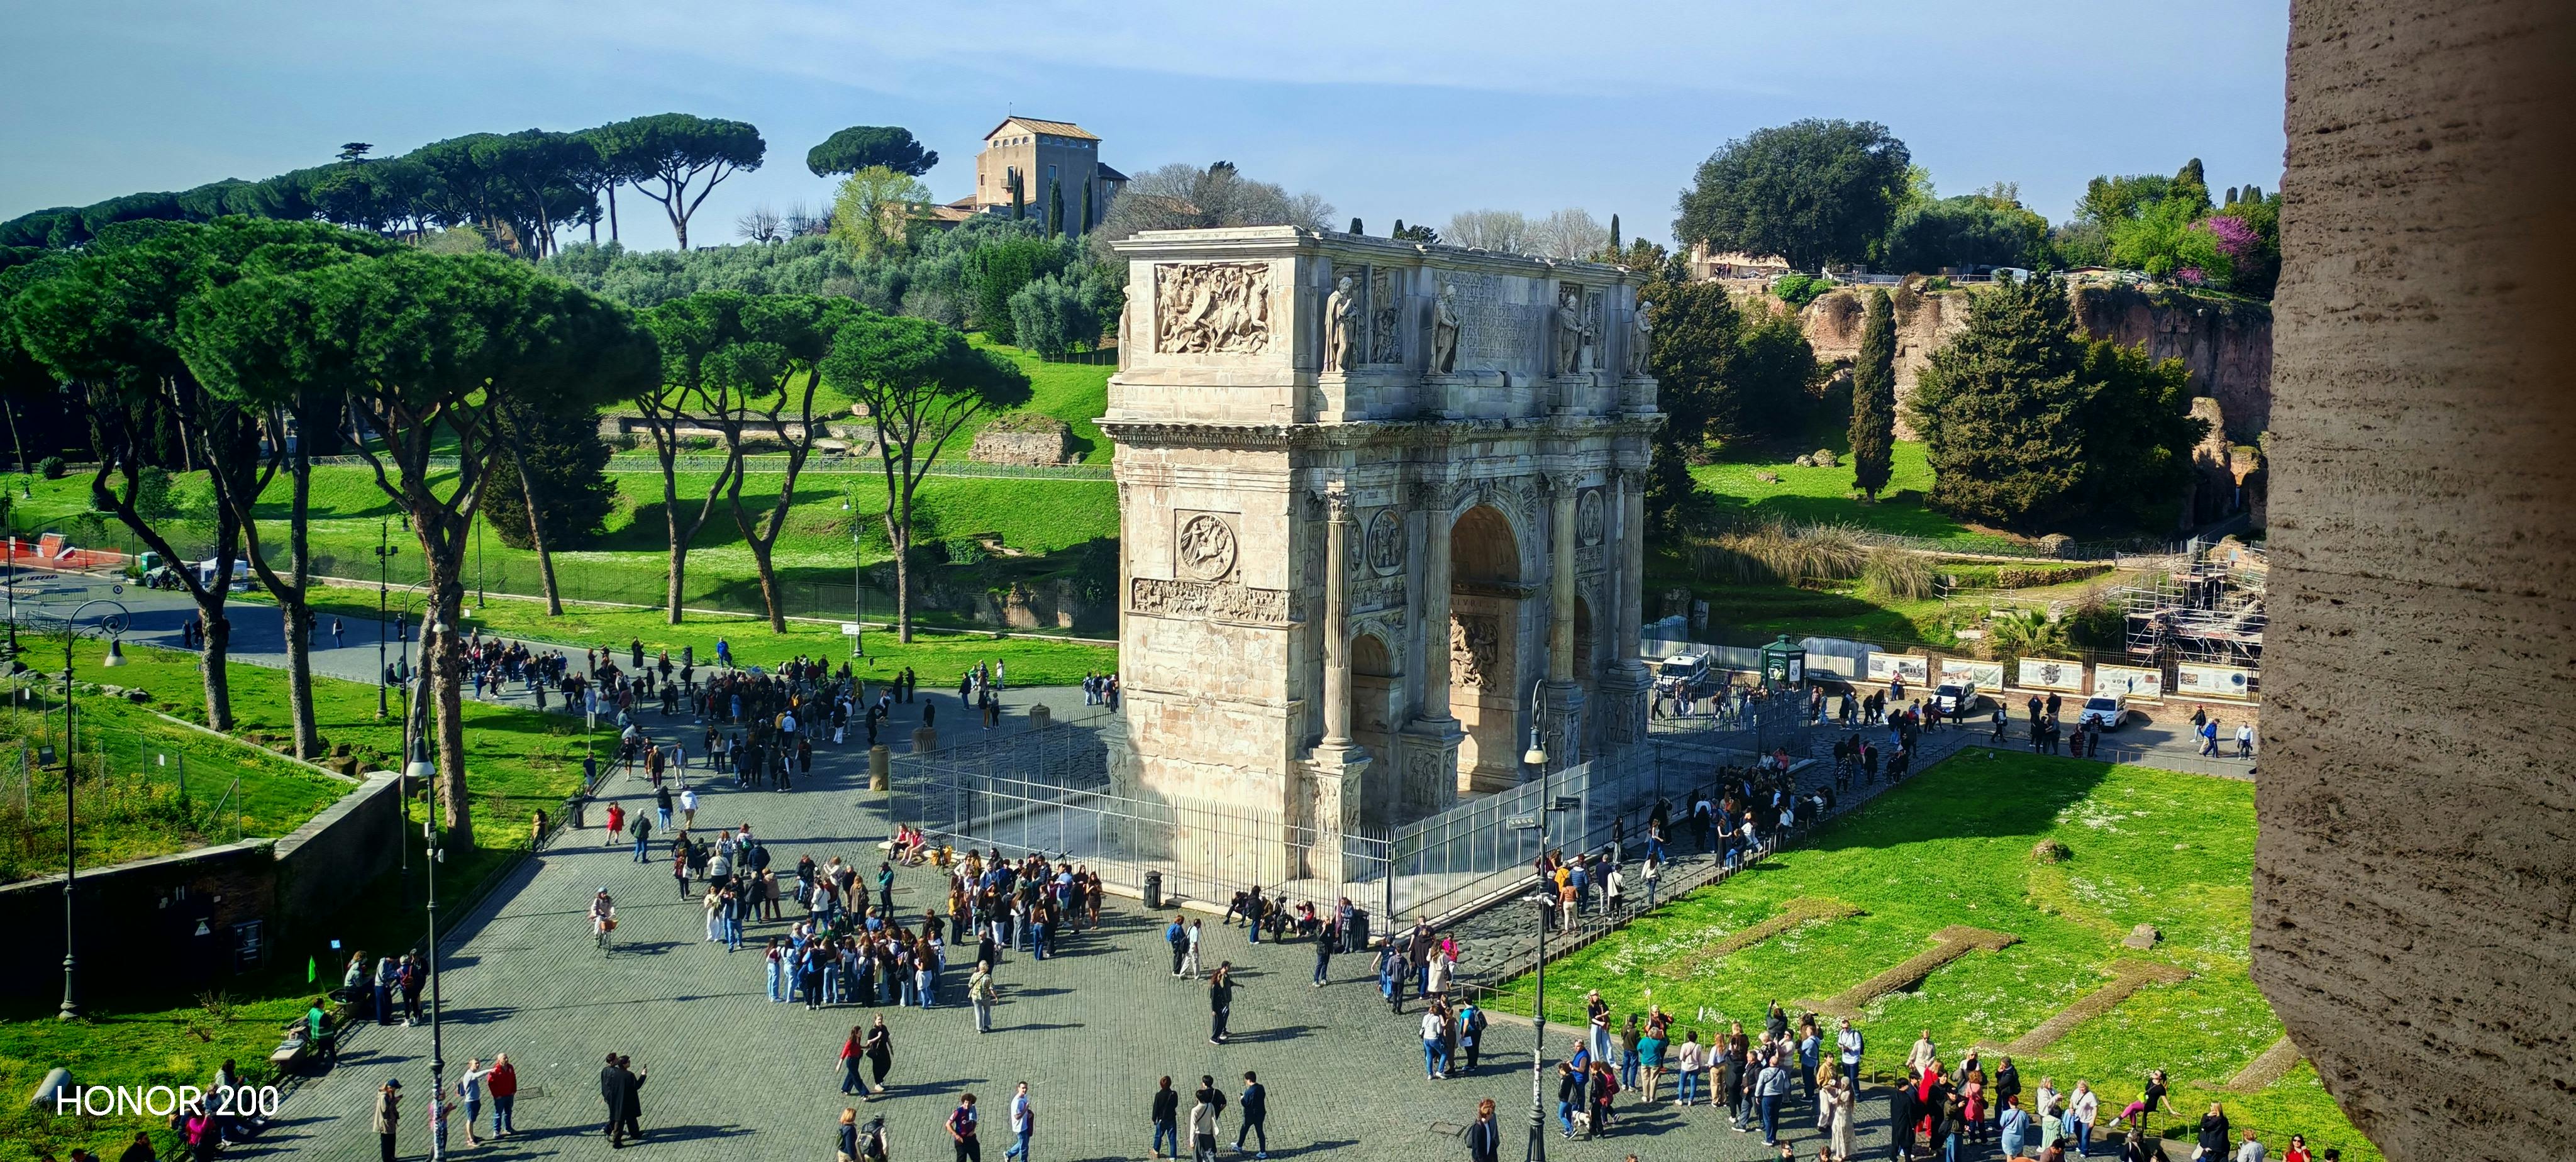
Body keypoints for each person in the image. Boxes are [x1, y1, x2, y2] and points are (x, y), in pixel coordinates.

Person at [1235, 1070, 1268, 1158]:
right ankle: (1263, 1151)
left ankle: (1239, 1146)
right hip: (1260, 1114)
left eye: (1246, 1080)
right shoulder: (1261, 1087)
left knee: (1244, 1129)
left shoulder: (1249, 1092)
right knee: (1260, 1132)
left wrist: (1242, 1099)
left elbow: (1246, 1104)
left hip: (1250, 1115)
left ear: (1249, 1080)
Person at [1151, 1076, 1182, 1159]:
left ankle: (1156, 1151)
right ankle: (1173, 1157)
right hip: (1171, 1119)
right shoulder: (1174, 1094)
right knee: (1172, 1138)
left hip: (1162, 1119)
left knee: (1158, 1136)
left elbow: (1156, 1108)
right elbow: (1176, 1105)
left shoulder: (1158, 1095)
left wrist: (1154, 1118)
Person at [488, 1053, 518, 1138]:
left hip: (509, 1094)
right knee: (498, 1114)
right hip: (500, 1097)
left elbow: (514, 1079)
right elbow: (491, 1084)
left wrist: (514, 1090)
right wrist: (496, 1095)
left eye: (507, 1058)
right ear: (499, 1060)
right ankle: (496, 1131)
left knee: (508, 1112)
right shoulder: (495, 1070)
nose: (507, 1060)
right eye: (504, 1058)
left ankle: (508, 1128)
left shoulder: (510, 1067)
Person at [1208, 962, 1238, 1044]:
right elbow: (1213, 999)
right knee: (1219, 1022)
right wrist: (1214, 1010)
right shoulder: (1215, 986)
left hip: (1220, 1004)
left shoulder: (1223, 978)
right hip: (1217, 1006)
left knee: (1220, 1021)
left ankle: (1217, 1035)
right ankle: (1215, 1037)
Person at [1002, 1082, 1034, 1161]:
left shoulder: (1024, 1096)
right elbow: (1017, 1117)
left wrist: (1028, 1113)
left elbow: (1024, 1110)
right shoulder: (1016, 1102)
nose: (1025, 1090)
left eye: (1026, 1088)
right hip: (1020, 1128)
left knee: (1022, 1143)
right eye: (1023, 1088)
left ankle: (1008, 1154)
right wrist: (1026, 1109)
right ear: (1018, 1088)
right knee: (1024, 1148)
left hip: (1025, 1125)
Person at [1189, 1089, 1222, 1162]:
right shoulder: (1210, 1106)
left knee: (1197, 1155)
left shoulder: (1195, 1110)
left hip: (1199, 1135)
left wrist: (1191, 1141)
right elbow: (1213, 1118)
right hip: (1208, 1133)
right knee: (1210, 1153)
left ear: (1197, 1098)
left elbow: (1193, 1127)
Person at [372, 1079, 401, 1162]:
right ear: (391, 1088)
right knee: (386, 1142)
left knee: (392, 1140)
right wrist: (395, 1101)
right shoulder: (384, 1097)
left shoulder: (389, 1094)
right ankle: (387, 1159)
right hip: (385, 1123)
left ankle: (392, 1156)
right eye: (395, 1088)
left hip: (390, 1121)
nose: (396, 1090)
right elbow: (385, 1110)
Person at [1465, 1097, 1502, 1162]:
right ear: (1487, 1114)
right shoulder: (1478, 1129)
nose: (1493, 1115)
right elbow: (1478, 1150)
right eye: (1491, 1113)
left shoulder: (1488, 1123)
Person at [950, 1093, 983, 1162]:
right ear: (963, 1102)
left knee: (977, 1158)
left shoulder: (972, 1110)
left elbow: (974, 1121)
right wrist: (956, 1136)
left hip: (971, 1138)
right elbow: (948, 1125)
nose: (967, 1105)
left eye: (969, 1103)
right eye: (966, 1103)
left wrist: (973, 1130)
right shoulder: (958, 1112)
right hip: (961, 1140)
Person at [969, 960, 998, 1033]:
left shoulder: (975, 975)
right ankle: (987, 1025)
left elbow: (970, 985)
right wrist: (996, 997)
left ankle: (979, 1028)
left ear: (980, 968)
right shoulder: (988, 977)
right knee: (987, 1011)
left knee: (978, 1012)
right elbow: (992, 989)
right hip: (985, 997)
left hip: (975, 996)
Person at [1999, 1093, 2031, 1159]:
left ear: (2009, 1102)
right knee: (2020, 1155)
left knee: (2009, 1155)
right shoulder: (2023, 1113)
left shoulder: (2006, 1113)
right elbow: (2027, 1126)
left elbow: (2002, 1124)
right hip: (2019, 1138)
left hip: (2008, 1138)